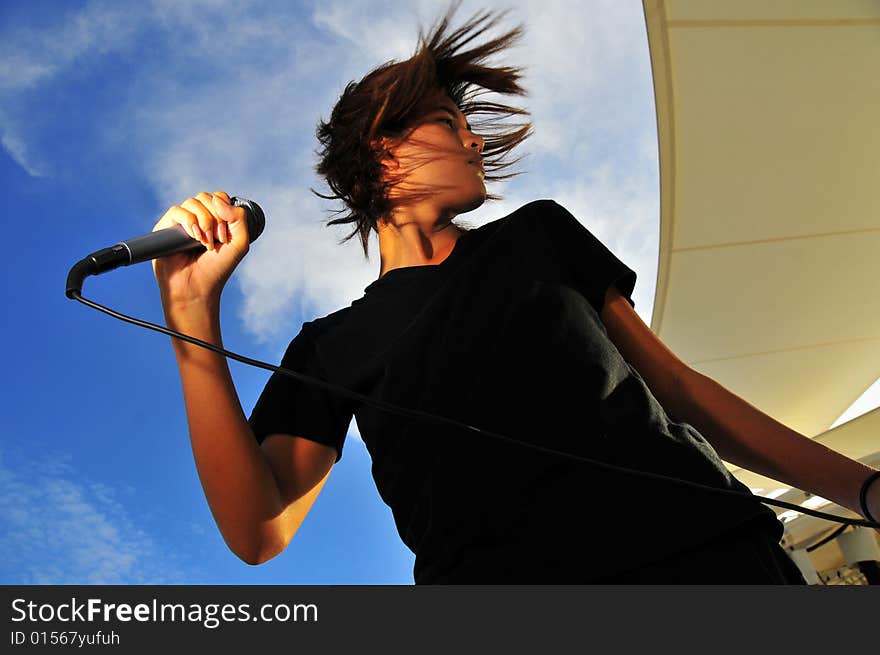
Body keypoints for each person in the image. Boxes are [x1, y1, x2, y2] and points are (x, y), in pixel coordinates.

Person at [151, 3, 880, 584]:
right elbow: (259, 529)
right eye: (449, 124)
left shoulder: (538, 234)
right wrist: (191, 315)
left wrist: (866, 491)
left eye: (470, 128)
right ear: (382, 146)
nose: (473, 144)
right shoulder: (328, 346)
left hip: (715, 562)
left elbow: (682, 391)